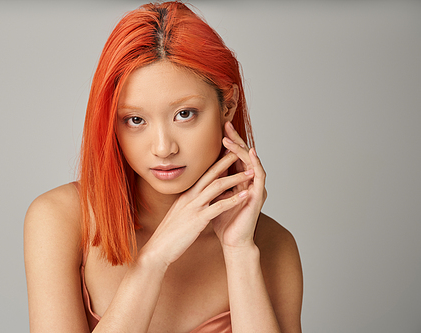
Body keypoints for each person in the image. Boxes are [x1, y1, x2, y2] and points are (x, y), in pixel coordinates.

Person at [24, 2, 303, 332]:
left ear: (228, 106)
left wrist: (239, 252)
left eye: (184, 114)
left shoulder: (273, 245)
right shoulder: (61, 220)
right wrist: (153, 261)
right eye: (136, 120)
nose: (163, 148)